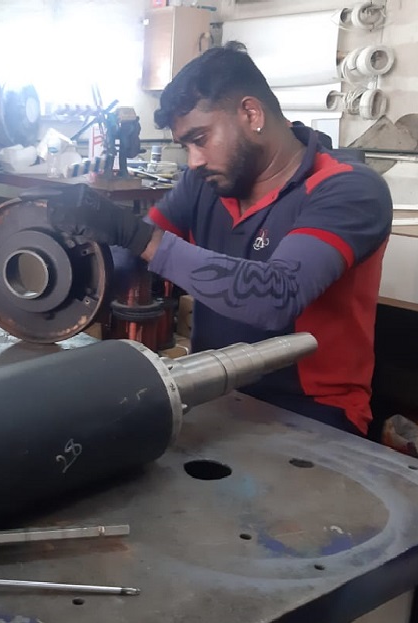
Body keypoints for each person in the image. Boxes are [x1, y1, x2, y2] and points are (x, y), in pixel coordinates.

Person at [45, 44, 393, 436]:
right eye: (185, 146)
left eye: (200, 138)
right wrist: (70, 261)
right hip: (212, 390)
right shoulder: (204, 185)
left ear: (251, 114)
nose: (193, 160)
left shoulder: (348, 189)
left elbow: (275, 296)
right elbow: (130, 258)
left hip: (313, 413)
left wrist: (134, 234)